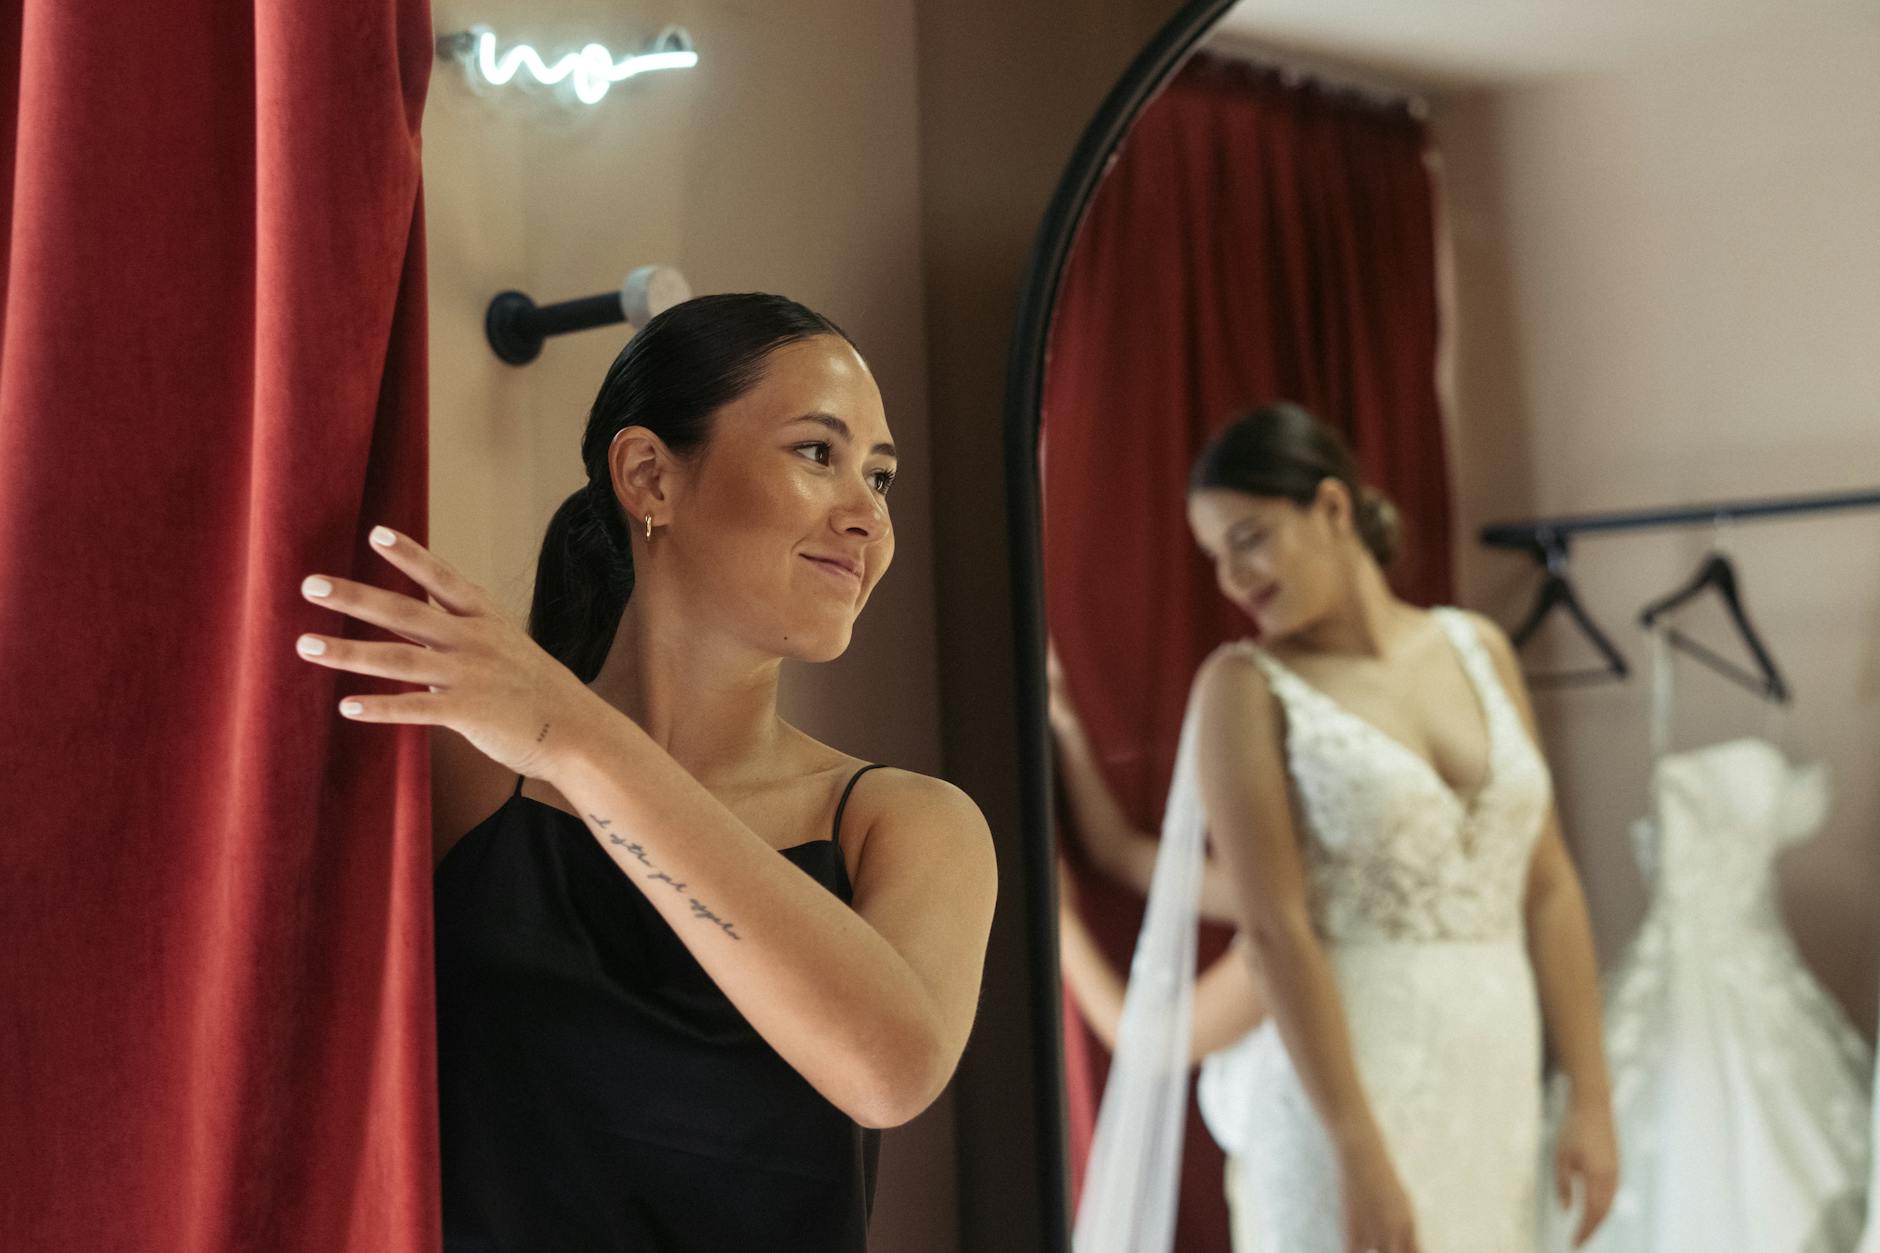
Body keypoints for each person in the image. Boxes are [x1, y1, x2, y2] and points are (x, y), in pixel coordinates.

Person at [291, 293, 998, 1252]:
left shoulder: (904, 821)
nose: (868, 515)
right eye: (818, 452)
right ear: (649, 477)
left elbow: (890, 1070)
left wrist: (573, 737)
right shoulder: (468, 776)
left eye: (880, 477)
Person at [1060, 401, 1618, 1253]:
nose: (1232, 579)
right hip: (1343, 1104)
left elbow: (1547, 885)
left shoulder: (1478, 649)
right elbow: (1278, 927)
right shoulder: (1245, 687)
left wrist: (1590, 1093)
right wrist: (1357, 1154)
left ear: (1330, 507)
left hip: (1493, 1082)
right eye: (1216, 556)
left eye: (1247, 537)